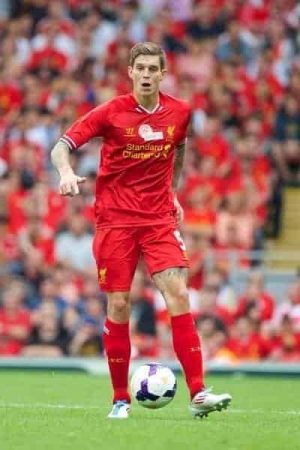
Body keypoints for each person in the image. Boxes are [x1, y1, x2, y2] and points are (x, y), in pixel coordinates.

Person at [51, 42, 232, 419]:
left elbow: (178, 150)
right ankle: (120, 399)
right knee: (119, 304)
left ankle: (198, 393)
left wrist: (172, 192)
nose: (147, 75)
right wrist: (66, 173)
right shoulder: (110, 112)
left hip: (158, 220)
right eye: (141, 68)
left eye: (154, 69)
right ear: (130, 72)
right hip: (115, 220)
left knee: (179, 294)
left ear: (163, 74)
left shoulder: (180, 112)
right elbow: (61, 147)